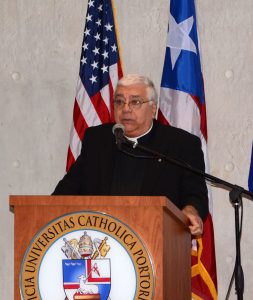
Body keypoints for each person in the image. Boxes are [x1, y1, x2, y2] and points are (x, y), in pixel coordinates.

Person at [53, 74, 208, 236]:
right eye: (119, 102)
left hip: (155, 238)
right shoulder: (97, 140)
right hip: (99, 239)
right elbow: (66, 191)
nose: (125, 109)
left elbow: (195, 194)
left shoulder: (181, 144)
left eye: (135, 102)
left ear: (153, 108)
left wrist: (191, 210)